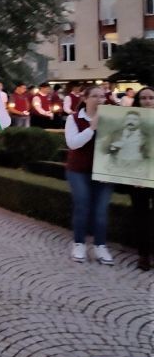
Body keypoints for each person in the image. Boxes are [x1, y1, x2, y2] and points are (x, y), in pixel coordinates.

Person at [64, 85, 114, 265]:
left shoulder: (111, 119)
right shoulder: (74, 118)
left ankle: (100, 246)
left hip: (104, 171)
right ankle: (79, 244)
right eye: (95, 96)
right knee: (82, 206)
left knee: (101, 210)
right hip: (78, 170)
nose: (100, 100)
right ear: (85, 99)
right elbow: (73, 143)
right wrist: (92, 128)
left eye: (102, 96)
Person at [129, 86, 154, 271]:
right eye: (144, 98)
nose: (147, 101)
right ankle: (143, 255)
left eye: (151, 98)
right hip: (137, 177)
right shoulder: (130, 121)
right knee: (141, 217)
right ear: (138, 101)